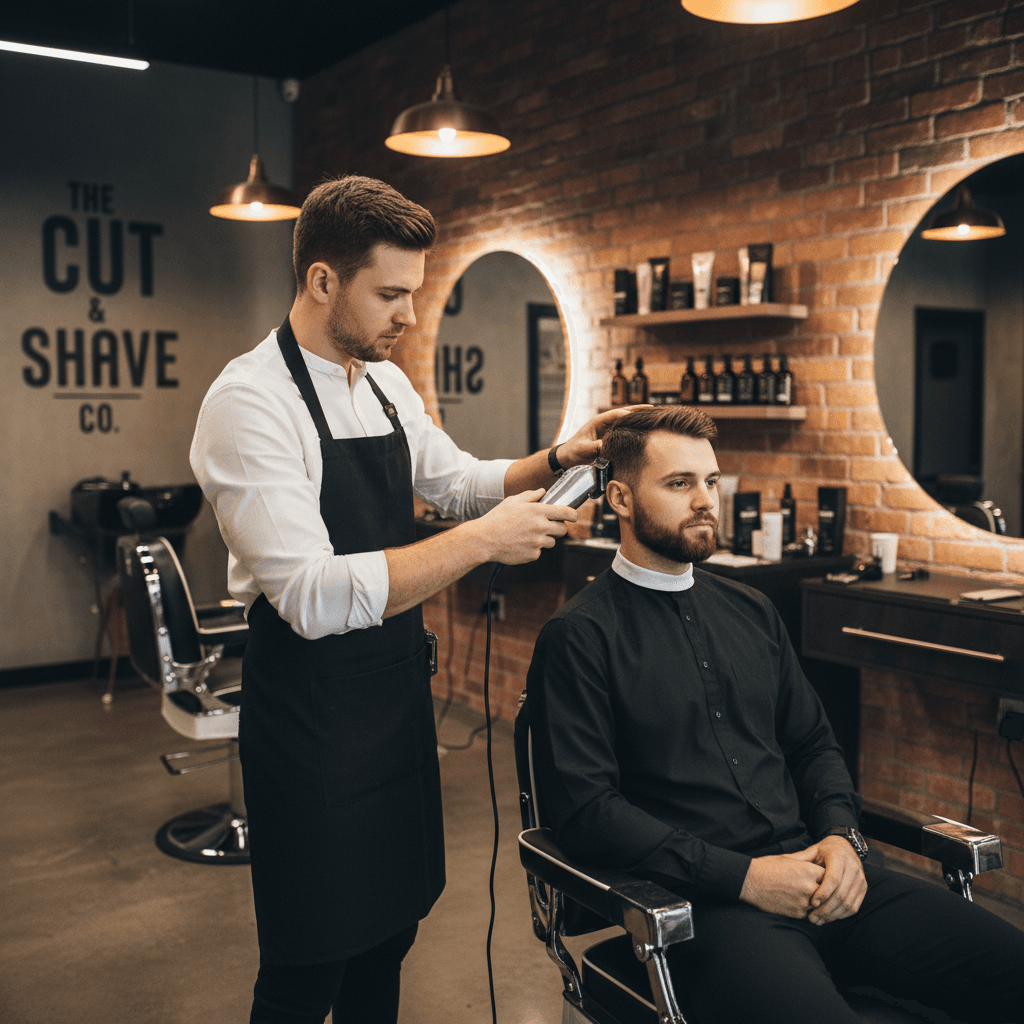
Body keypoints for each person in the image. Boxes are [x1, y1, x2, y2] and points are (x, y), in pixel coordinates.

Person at [190, 175, 630, 1024]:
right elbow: (312, 596)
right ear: (323, 280)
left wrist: (554, 459)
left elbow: (456, 481)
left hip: (392, 704)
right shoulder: (249, 404)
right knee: (307, 960)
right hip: (310, 719)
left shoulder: (383, 382)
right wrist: (484, 543)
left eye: (414, 294)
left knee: (388, 935)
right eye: (390, 294)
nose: (410, 315)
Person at [526, 404, 1024, 1024]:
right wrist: (745, 878)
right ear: (621, 498)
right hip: (711, 909)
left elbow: (813, 744)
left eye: (711, 481)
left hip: (825, 875)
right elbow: (588, 813)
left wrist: (840, 836)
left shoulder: (751, 610)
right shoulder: (579, 636)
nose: (705, 500)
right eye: (679, 484)